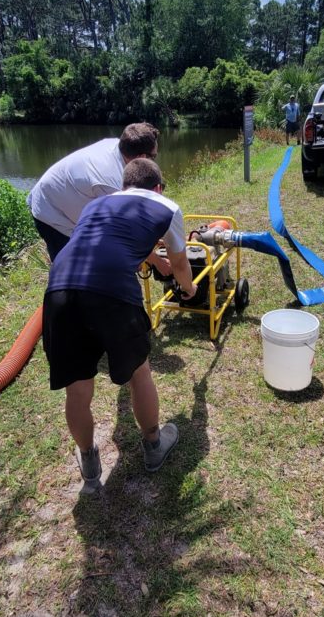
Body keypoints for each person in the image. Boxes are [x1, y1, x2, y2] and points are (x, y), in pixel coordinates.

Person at [42, 157, 197, 490]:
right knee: (139, 372)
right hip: (111, 292)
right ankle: (154, 445)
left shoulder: (96, 204)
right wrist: (188, 287)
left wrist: (153, 259)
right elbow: (182, 262)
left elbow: (110, 242)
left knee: (77, 386)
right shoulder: (166, 206)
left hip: (59, 288)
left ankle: (88, 463)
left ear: (125, 185)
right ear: (158, 186)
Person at [28, 123, 161, 261]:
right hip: (51, 213)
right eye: (153, 157)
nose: (154, 161)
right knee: (71, 269)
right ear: (142, 157)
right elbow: (120, 233)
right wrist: (158, 261)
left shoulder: (120, 145)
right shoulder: (110, 182)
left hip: (66, 198)